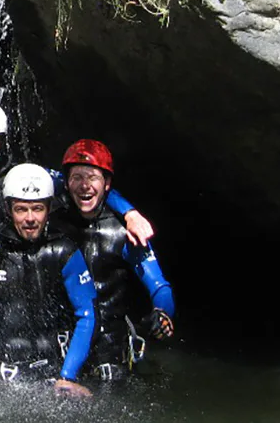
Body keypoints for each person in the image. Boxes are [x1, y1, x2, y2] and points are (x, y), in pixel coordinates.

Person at [0, 101, 153, 364]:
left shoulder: (24, 176)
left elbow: (80, 185)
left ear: (1, 142)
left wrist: (129, 213)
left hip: (4, 300)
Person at [0, 164, 96, 397]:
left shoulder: (64, 251)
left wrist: (67, 377)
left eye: (37, 209)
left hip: (50, 373)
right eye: (21, 209)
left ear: (48, 209)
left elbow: (86, 313)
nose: (30, 218)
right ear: (8, 209)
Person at [52, 139, 175, 381]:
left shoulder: (124, 234)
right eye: (77, 177)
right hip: (61, 345)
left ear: (107, 184)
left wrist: (162, 314)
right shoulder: (52, 224)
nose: (84, 185)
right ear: (66, 182)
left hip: (111, 349)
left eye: (92, 178)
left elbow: (160, 287)